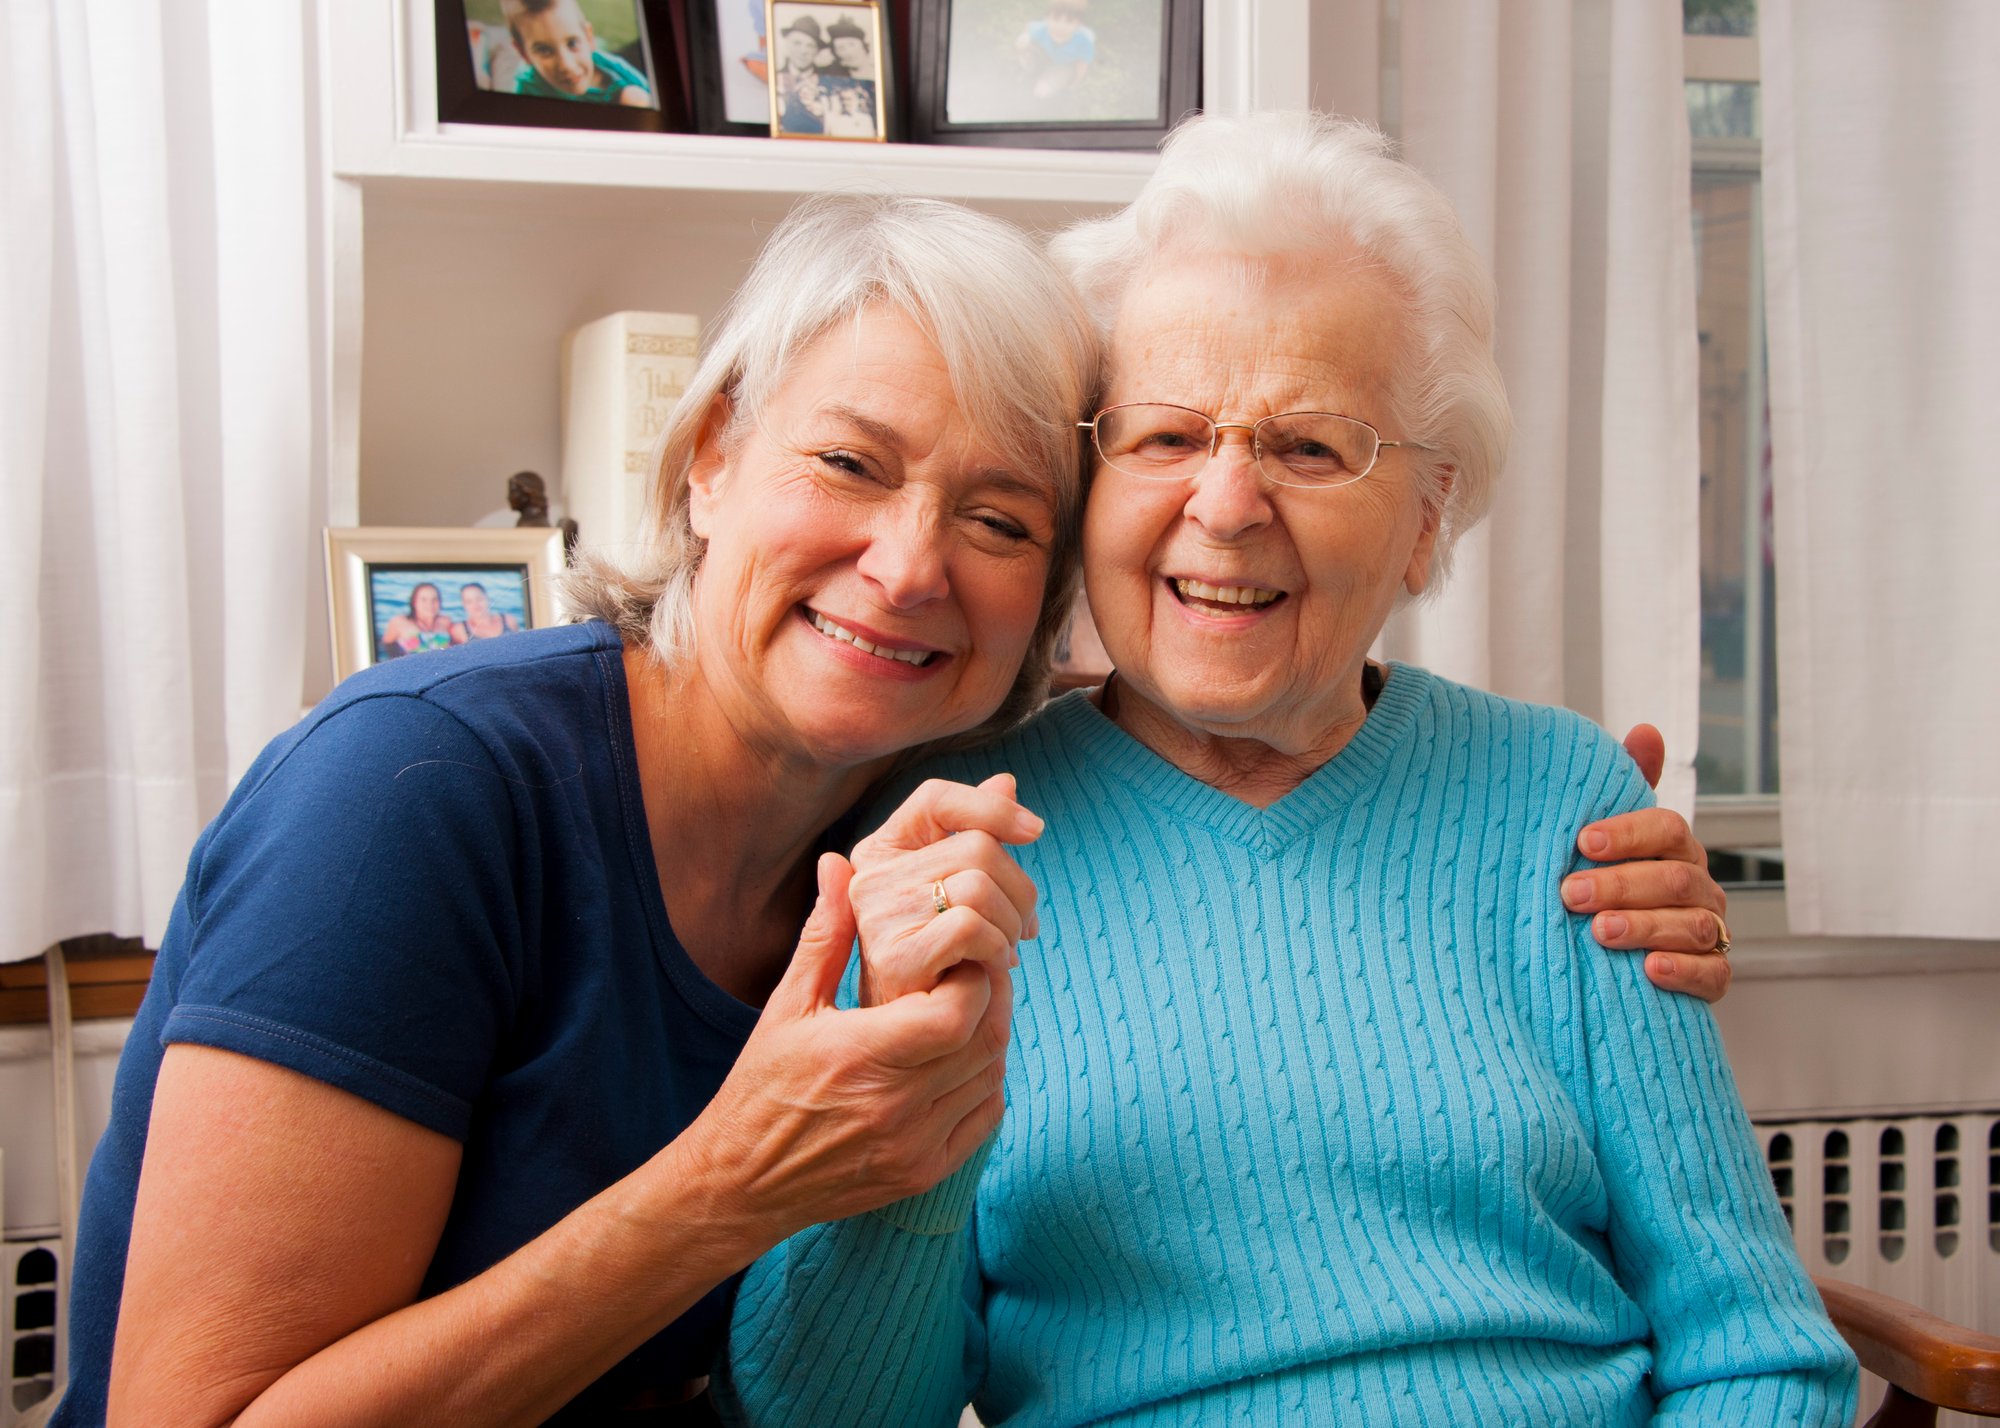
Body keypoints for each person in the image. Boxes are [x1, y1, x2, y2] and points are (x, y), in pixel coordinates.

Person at [56, 191, 1726, 1425]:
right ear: (711, 453)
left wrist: (1518, 829)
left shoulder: (931, 826)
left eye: (1001, 519)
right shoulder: (412, 790)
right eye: (850, 464)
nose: (911, 565)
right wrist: (726, 1183)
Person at [719, 115, 1854, 1425]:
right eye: (1164, 438)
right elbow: (819, 1415)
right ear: (1087, 486)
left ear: (1427, 516)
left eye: (1310, 447)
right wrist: (909, 1129)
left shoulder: (1563, 804)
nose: (1225, 506)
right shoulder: (943, 843)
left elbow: (1758, 1353)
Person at [505, 0, 653, 107]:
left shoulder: (623, 76)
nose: (566, 65)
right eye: (544, 50)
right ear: (523, 53)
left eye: (572, 43)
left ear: (589, 37)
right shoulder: (527, 86)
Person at [1016, 0, 1095, 102]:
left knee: (1041, 92)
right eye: (1056, 19)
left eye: (1069, 21)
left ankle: (1047, 82)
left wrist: (1076, 82)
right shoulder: (1042, 28)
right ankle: (1031, 69)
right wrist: (1024, 37)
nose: (1060, 27)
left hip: (1063, 66)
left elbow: (1082, 64)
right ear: (1047, 19)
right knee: (1024, 43)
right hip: (1046, 56)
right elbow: (1029, 27)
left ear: (1078, 25)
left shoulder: (1084, 41)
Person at [376, 580, 455, 659]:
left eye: (435, 599)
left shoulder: (446, 622)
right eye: (423, 599)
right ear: (414, 602)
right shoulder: (399, 622)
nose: (430, 604)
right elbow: (386, 645)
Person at [452, 581, 521, 642]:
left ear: (487, 598)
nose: (475, 604)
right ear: (464, 605)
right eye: (469, 601)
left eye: (479, 598)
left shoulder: (509, 621)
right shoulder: (459, 630)